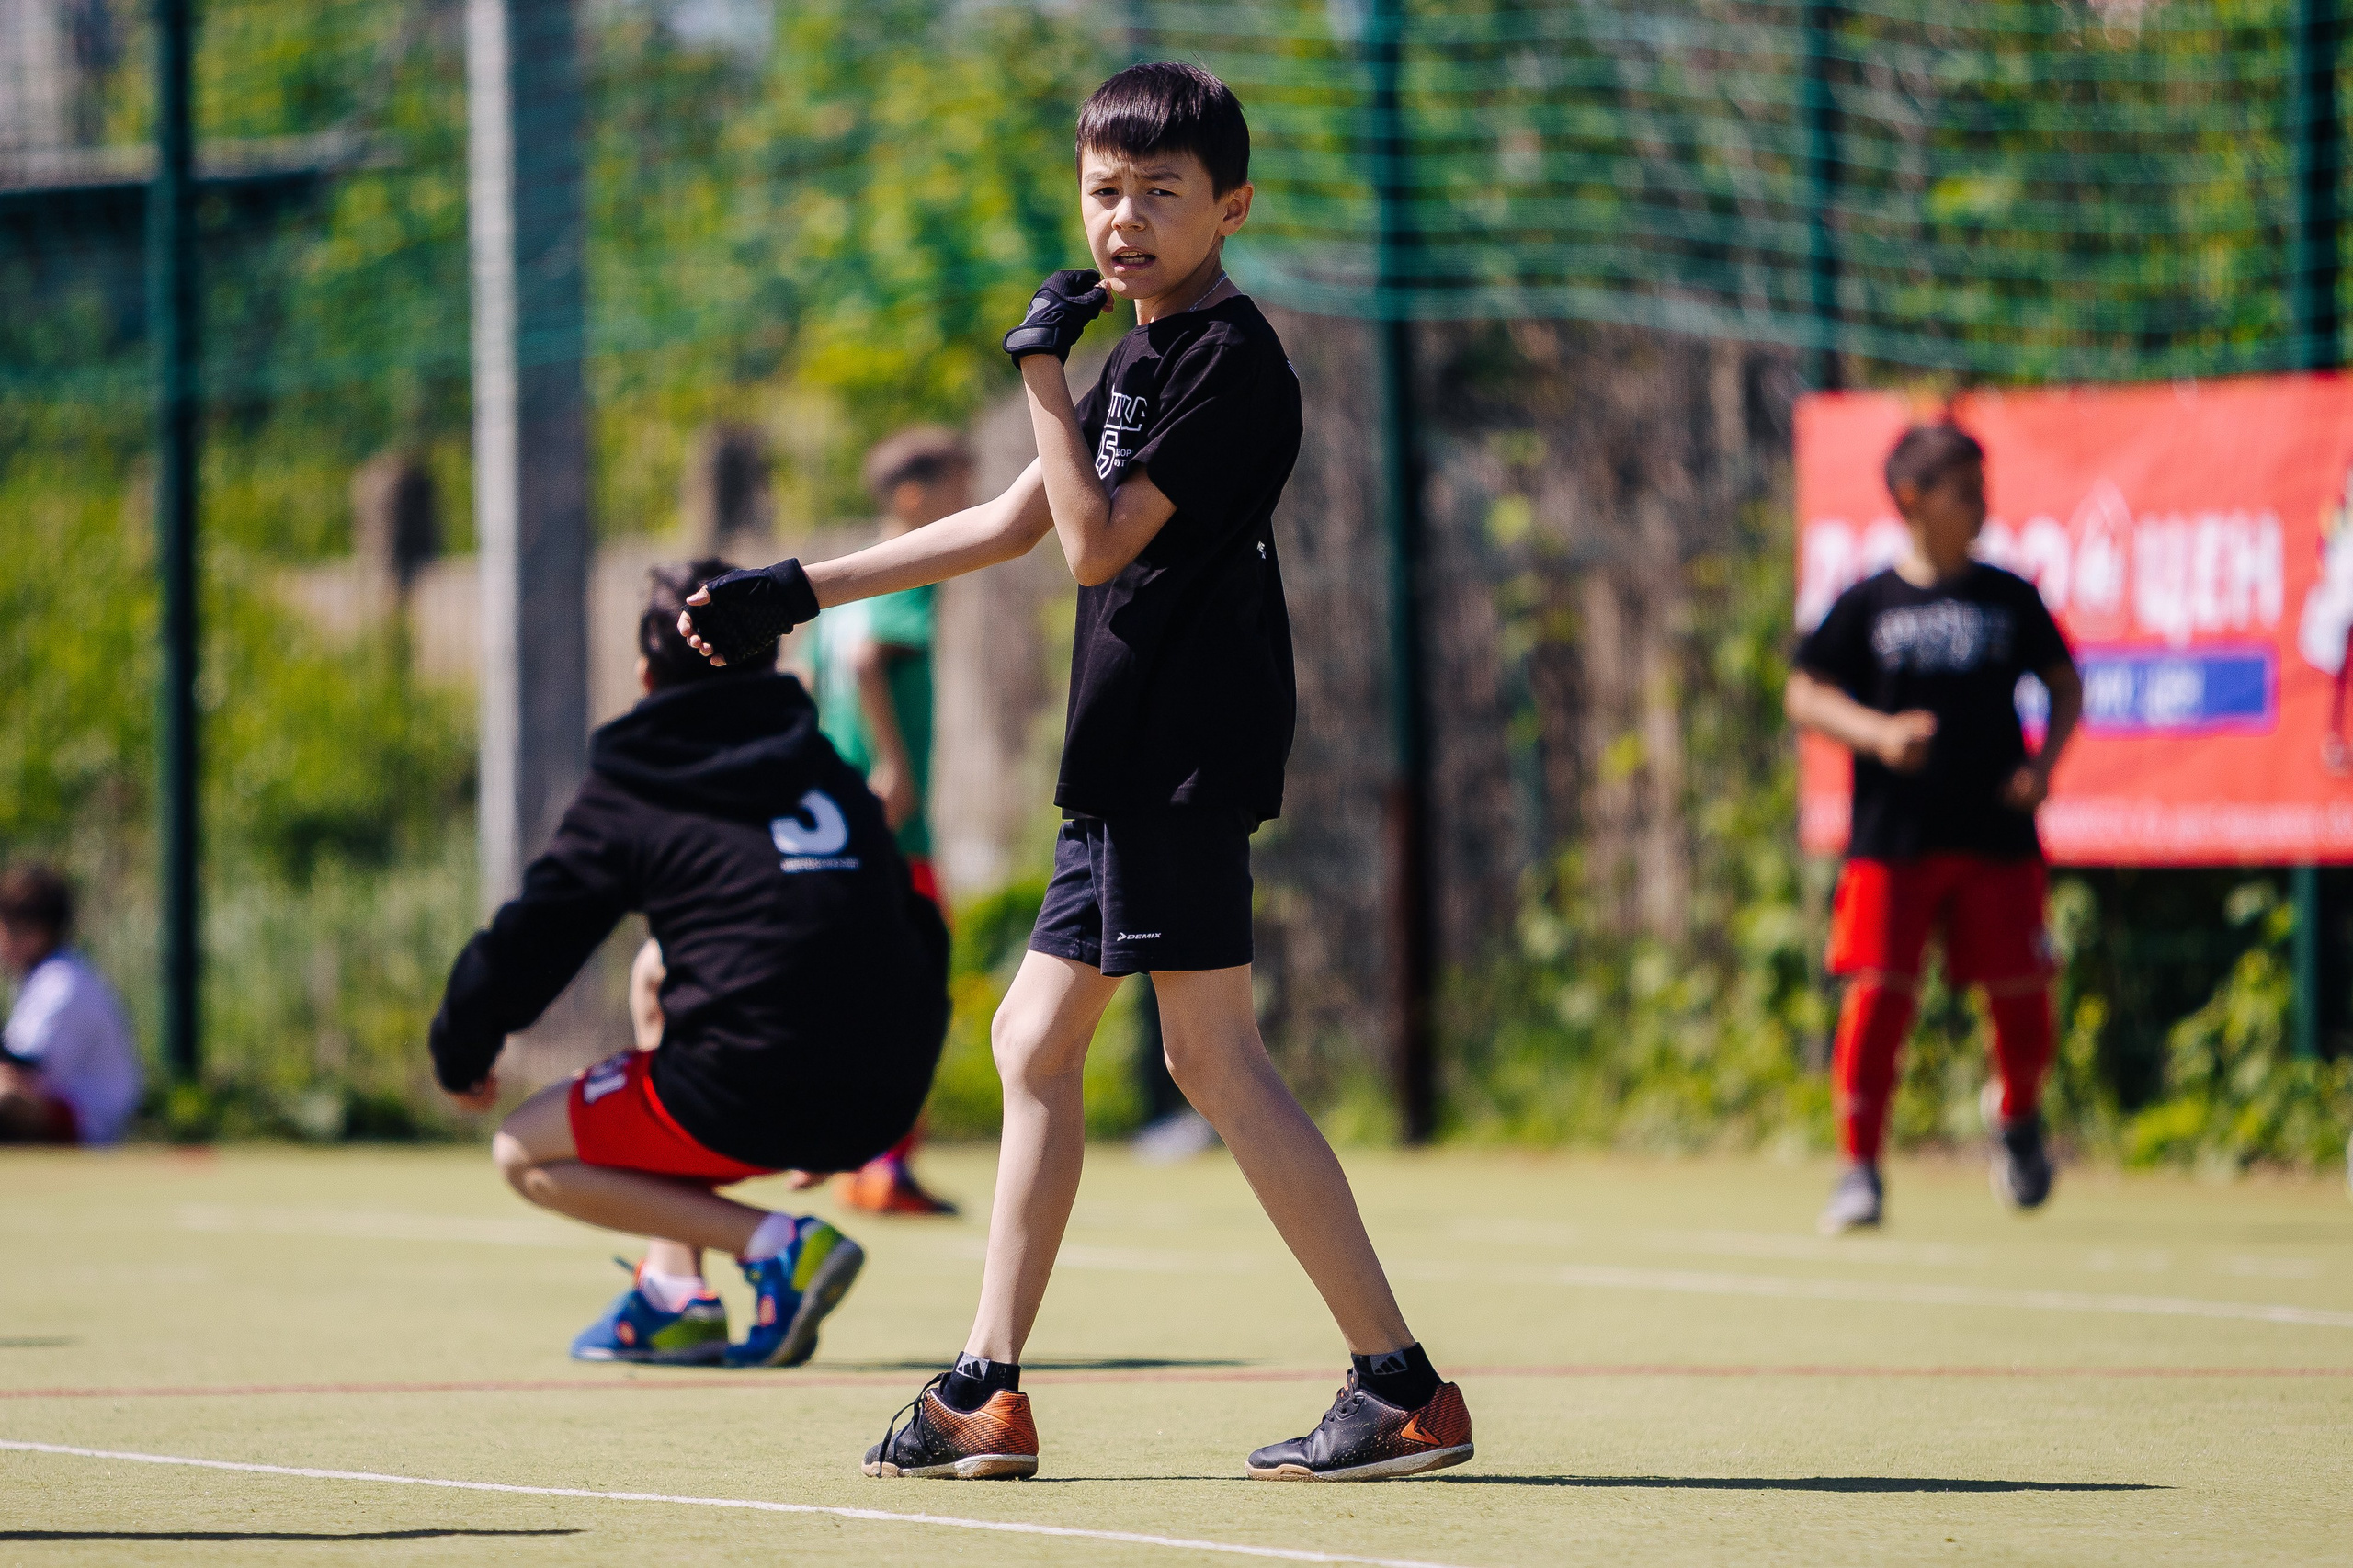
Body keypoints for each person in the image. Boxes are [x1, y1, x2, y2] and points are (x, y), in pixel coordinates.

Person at [682, 62, 1474, 1483]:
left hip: (1182, 757)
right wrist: (795, 589)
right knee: (1033, 1044)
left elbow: (1093, 539)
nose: (1125, 221)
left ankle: (1400, 1382)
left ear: (1231, 208)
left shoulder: (1230, 364)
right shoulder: (1144, 353)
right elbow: (1010, 520)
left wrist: (1041, 368)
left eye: (1162, 195)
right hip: (1122, 759)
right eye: (1105, 192)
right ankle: (986, 1388)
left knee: (1211, 1059)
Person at [429, 560, 949, 1367]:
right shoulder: (827, 771)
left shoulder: (643, 781)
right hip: (885, 1091)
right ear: (773, 663)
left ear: (646, 675)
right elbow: (909, 924)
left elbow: (540, 935)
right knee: (654, 971)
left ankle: (779, 1246)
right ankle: (675, 1290)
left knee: (525, 1151)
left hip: (758, 1088)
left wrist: (464, 1045)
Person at [1785, 424, 2085, 1234]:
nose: (1983, 502)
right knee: (1879, 999)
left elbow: (2064, 683)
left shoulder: (2008, 596)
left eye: (1984, 485)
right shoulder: (1870, 600)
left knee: (2024, 1001)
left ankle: (2018, 1120)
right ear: (1913, 499)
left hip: (1996, 834)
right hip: (1894, 838)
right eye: (1965, 488)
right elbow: (1804, 692)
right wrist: (1877, 734)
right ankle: (1859, 1169)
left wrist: (2045, 765)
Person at [805, 426, 972, 1215]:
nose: (970, 502)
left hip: (840, 818)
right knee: (917, 984)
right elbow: (871, 661)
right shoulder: (911, 567)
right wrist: (896, 768)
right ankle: (884, 1164)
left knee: (861, 987)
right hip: (893, 824)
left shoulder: (849, 575)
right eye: (958, 484)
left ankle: (852, 1148)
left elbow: (815, 677)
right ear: (912, 495)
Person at [0, 865, 142, 1146]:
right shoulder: (44, 976)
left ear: (33, 931)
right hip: (62, 1106)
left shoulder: (61, 981)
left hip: (88, 1120)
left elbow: (26, 1070)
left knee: (4, 1096)